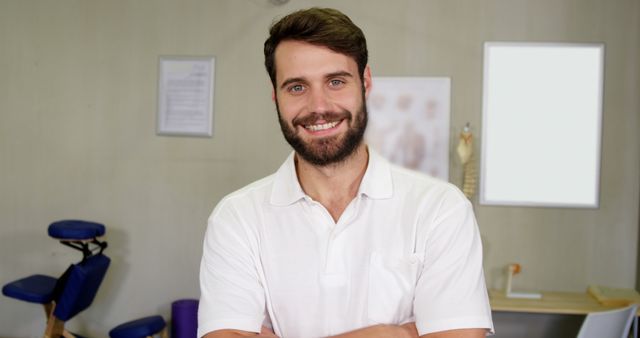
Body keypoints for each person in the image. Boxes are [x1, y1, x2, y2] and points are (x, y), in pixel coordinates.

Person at [198, 7, 494, 338]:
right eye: (296, 87)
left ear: (365, 82)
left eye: (336, 81)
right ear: (275, 97)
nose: (318, 106)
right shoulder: (236, 218)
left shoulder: (440, 209)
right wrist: (395, 334)